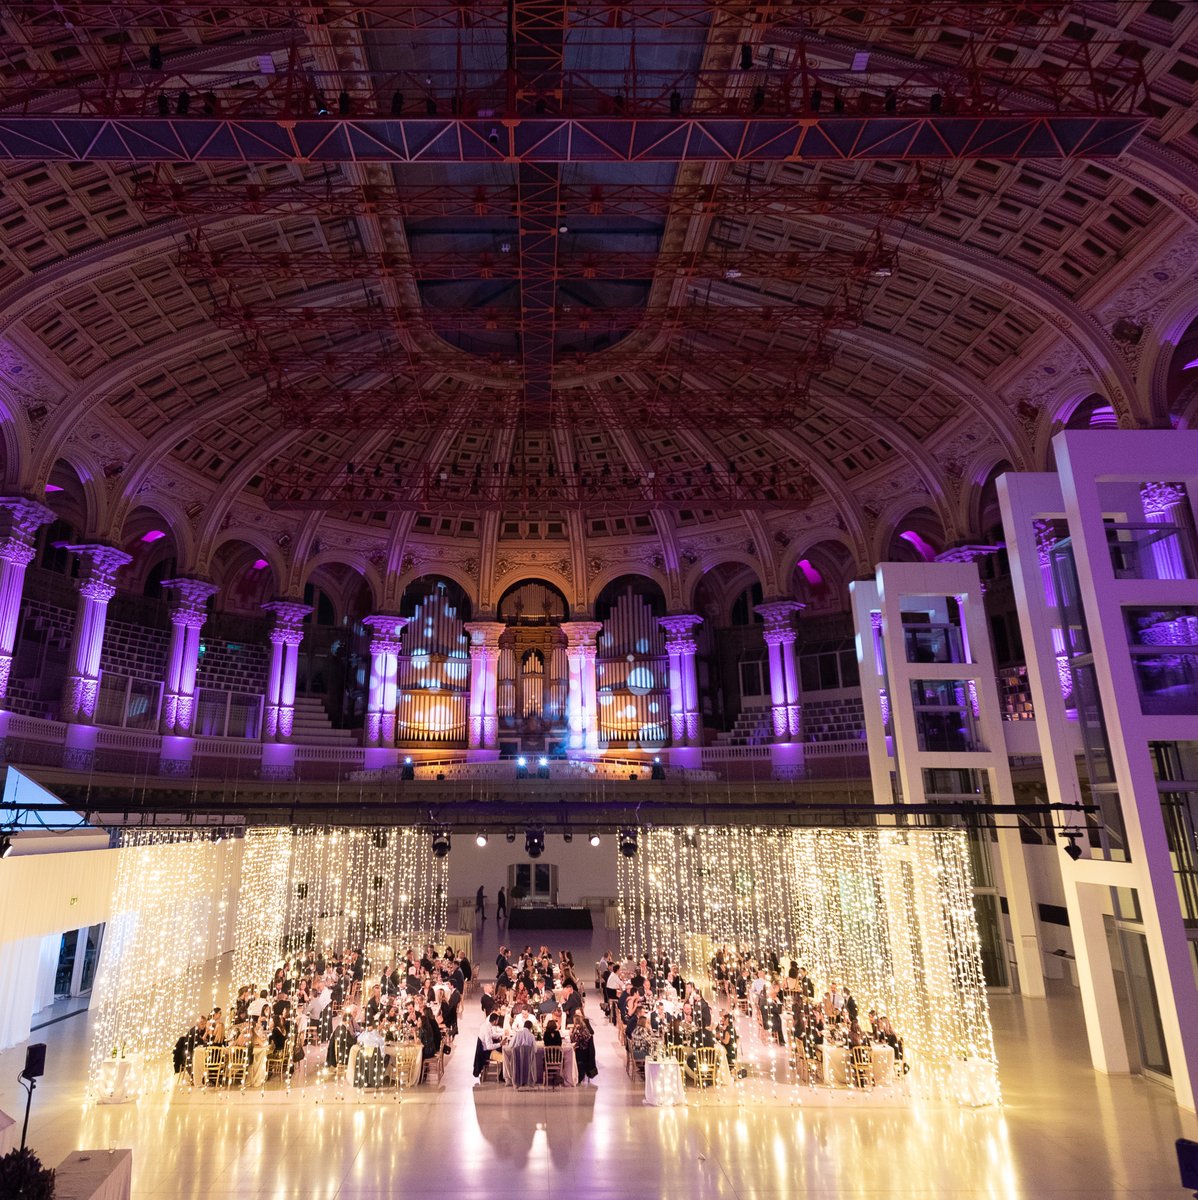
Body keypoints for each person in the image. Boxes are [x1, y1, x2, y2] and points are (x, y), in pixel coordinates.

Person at [571, 1011, 598, 1083]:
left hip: (582, 1051)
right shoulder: (584, 1028)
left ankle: (575, 1075)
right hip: (586, 1050)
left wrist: (573, 1032)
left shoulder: (579, 1030)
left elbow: (573, 1040)